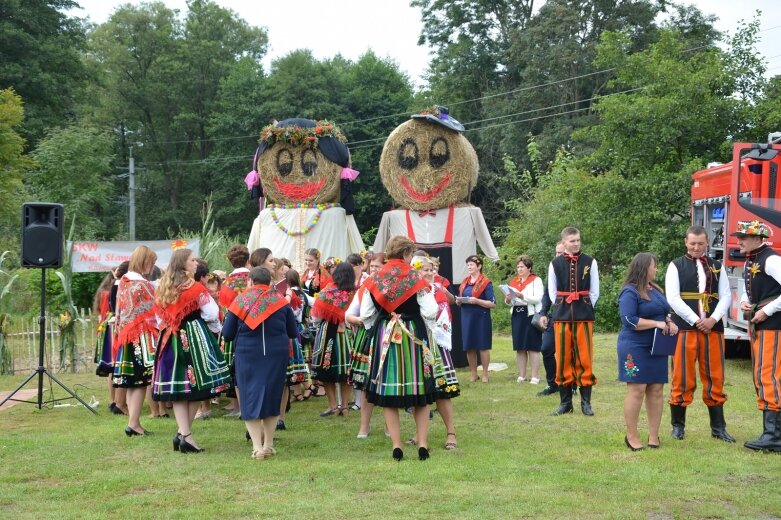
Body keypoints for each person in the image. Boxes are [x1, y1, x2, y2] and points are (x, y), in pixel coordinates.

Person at [361, 235, 441, 461]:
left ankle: (397, 445)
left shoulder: (376, 278)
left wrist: (377, 325)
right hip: (413, 333)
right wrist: (426, 326)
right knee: (421, 392)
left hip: (386, 333)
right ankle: (423, 444)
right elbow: (430, 310)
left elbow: (366, 313)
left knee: (389, 392)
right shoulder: (416, 278)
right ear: (406, 254)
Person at [153, 248, 230, 453]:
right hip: (193, 336)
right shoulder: (195, 288)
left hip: (170, 338)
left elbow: (159, 318)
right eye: (192, 260)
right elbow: (212, 313)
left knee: (179, 389)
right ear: (184, 264)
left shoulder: (163, 286)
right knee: (198, 387)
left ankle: (182, 433)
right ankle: (184, 435)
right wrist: (197, 321)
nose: (196, 263)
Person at [665, 225, 735, 442]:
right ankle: (678, 426)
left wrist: (713, 319)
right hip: (684, 329)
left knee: (715, 375)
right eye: (692, 243)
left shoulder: (717, 265)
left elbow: (725, 295)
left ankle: (718, 428)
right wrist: (696, 320)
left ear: (707, 243)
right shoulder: (675, 265)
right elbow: (673, 299)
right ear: (685, 242)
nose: (696, 247)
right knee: (682, 376)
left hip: (712, 329)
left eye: (701, 243)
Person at [222, 267, 298, 460]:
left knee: (249, 396)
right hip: (276, 354)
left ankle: (257, 447)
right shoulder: (280, 301)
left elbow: (228, 333)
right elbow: (292, 331)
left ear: (250, 281)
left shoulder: (240, 300)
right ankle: (269, 444)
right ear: (270, 281)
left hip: (248, 354)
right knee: (273, 395)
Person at [618, 252, 678, 450]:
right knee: (637, 389)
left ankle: (654, 436)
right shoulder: (630, 292)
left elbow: (664, 311)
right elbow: (629, 320)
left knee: (656, 389)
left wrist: (668, 322)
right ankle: (631, 436)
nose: (656, 269)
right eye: (654, 266)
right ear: (644, 268)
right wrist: (657, 323)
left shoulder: (654, 290)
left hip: (657, 346)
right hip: (635, 346)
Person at [735, 220, 781, 452]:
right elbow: (748, 286)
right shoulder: (751, 259)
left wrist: (766, 311)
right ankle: (771, 433)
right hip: (763, 326)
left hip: (774, 325)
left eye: (744, 236)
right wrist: (745, 301)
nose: (739, 240)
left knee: (768, 374)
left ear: (757, 238)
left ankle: (774, 436)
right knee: (762, 374)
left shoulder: (771, 259)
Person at [548, 227, 599, 416]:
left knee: (584, 357)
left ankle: (586, 403)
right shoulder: (555, 263)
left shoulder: (590, 262)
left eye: (578, 240)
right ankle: (565, 402)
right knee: (562, 358)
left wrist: (586, 305)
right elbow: (552, 291)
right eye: (572, 241)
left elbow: (595, 291)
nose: (576, 243)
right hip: (562, 317)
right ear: (564, 243)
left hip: (584, 316)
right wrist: (561, 306)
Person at [412, 254, 460, 450]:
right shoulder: (413, 291)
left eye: (432, 269)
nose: (430, 273)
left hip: (437, 344)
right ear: (416, 271)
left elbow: (445, 314)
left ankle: (451, 432)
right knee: (420, 391)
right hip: (419, 343)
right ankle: (419, 433)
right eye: (425, 269)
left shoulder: (437, 289)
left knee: (442, 391)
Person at [112, 246, 159, 437]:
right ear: (144, 261)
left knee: (132, 382)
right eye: (151, 262)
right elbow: (156, 309)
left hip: (126, 336)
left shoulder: (123, 280)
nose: (152, 266)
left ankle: (134, 421)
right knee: (140, 381)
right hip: (141, 337)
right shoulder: (142, 284)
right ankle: (133, 424)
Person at [310, 262, 355, 417]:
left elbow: (316, 316)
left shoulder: (327, 291)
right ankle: (345, 406)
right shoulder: (353, 293)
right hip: (347, 332)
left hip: (327, 332)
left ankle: (333, 406)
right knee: (346, 371)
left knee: (325, 368)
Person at [347, 252, 385, 438]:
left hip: (386, 335)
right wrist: (360, 320)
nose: (374, 269)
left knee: (386, 381)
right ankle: (364, 426)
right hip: (366, 336)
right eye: (372, 266)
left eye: (378, 266)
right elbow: (348, 315)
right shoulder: (364, 288)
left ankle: (389, 425)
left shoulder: (391, 288)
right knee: (364, 383)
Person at [218, 244, 252, 415]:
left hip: (232, 324)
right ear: (248, 259)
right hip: (252, 323)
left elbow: (225, 307)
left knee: (231, 363)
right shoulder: (252, 279)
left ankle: (234, 404)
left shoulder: (226, 283)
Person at [506, 255, 544, 384]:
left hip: (531, 315)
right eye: (518, 267)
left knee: (533, 346)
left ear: (529, 267)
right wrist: (508, 300)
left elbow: (538, 298)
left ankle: (535, 376)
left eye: (522, 266)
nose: (519, 269)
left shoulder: (536, 280)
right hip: (517, 315)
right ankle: (522, 375)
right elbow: (511, 302)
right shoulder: (514, 281)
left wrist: (522, 296)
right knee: (520, 347)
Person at [457, 255, 496, 383]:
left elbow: (492, 303)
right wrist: (459, 301)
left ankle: (485, 374)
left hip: (481, 317)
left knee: (483, 346)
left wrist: (477, 301)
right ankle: (473, 373)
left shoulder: (486, 282)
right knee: (469, 346)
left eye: (472, 264)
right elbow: (460, 298)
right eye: (468, 264)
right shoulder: (465, 282)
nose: (469, 267)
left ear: (479, 266)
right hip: (466, 317)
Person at [536, 242, 565, 397]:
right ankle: (552, 384)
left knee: (568, 352)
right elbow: (547, 293)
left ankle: (570, 384)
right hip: (555, 315)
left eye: (561, 253)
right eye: (556, 253)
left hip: (570, 317)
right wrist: (542, 313)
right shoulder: (553, 269)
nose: (558, 256)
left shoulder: (573, 270)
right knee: (546, 348)